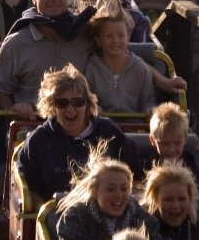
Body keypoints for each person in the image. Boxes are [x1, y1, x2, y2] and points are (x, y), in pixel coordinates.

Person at [16, 65, 140, 204]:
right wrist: (49, 215)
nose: (70, 109)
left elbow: (135, 177)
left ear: (87, 104)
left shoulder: (109, 131)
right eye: (62, 103)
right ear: (51, 106)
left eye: (77, 102)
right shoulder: (38, 141)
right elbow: (30, 192)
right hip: (56, 214)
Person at [0, 0, 95, 119]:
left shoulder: (86, 35)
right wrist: (14, 108)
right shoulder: (16, 42)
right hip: (32, 123)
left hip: (79, 122)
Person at [54, 140, 167, 240]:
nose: (119, 195)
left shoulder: (144, 219)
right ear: (94, 191)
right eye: (110, 189)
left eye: (124, 189)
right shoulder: (75, 217)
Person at [83, 0, 157, 115]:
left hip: (134, 124)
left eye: (121, 36)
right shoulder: (92, 68)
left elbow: (148, 100)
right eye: (108, 36)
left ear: (128, 37)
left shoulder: (140, 68)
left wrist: (149, 110)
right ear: (99, 40)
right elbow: (87, 98)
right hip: (102, 123)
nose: (115, 41)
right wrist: (93, 108)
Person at [142, 162, 199, 240]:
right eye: (168, 200)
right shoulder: (144, 228)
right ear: (155, 201)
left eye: (181, 199)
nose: (176, 206)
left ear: (190, 199)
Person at [148, 103, 199, 197]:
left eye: (177, 143)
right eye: (165, 143)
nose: (171, 150)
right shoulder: (145, 169)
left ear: (185, 139)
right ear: (152, 140)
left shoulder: (196, 174)